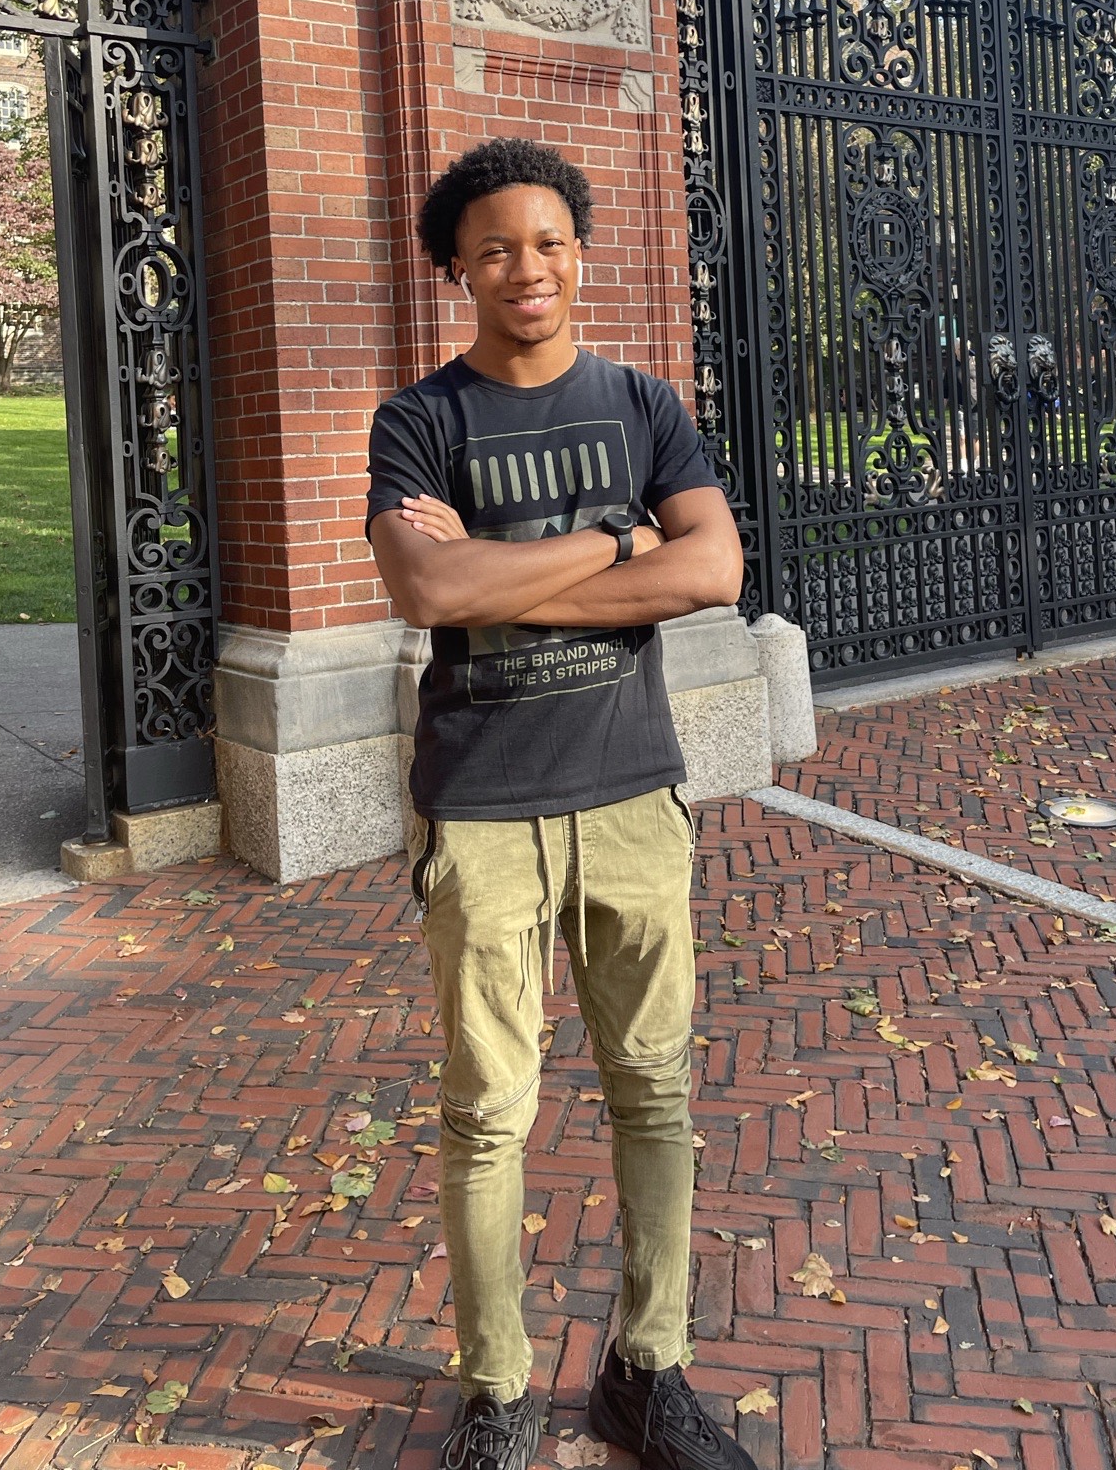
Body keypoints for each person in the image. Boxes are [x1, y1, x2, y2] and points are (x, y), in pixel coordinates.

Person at [366, 138, 758, 1470]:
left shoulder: (645, 404)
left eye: (547, 242)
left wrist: (504, 571)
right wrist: (614, 543)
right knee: (488, 1112)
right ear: (456, 272)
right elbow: (429, 596)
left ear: (580, 250)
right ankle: (499, 1389)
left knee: (655, 1093)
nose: (524, 268)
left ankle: (650, 1373)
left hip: (634, 799)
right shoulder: (420, 421)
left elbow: (713, 570)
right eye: (493, 250)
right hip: (481, 810)